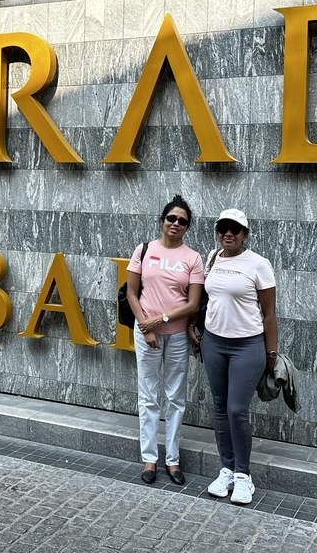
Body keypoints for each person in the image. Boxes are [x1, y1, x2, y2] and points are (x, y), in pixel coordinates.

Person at [191, 208, 278, 505]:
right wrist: (194, 327)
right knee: (219, 407)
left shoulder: (258, 264)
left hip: (247, 345)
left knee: (237, 410)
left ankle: (244, 475)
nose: (228, 233)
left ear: (245, 234)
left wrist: (271, 353)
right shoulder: (213, 258)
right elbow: (204, 299)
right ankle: (226, 468)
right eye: (222, 228)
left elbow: (269, 314)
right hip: (214, 342)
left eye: (235, 229)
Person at [125, 194, 204, 485]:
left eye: (182, 221)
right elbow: (132, 293)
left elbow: (193, 304)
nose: (176, 224)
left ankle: (173, 460)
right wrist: (146, 328)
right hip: (146, 335)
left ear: (187, 227)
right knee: (148, 397)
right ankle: (149, 458)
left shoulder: (192, 258)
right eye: (171, 218)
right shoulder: (144, 250)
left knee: (175, 398)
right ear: (162, 221)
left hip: (177, 337)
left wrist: (160, 321)